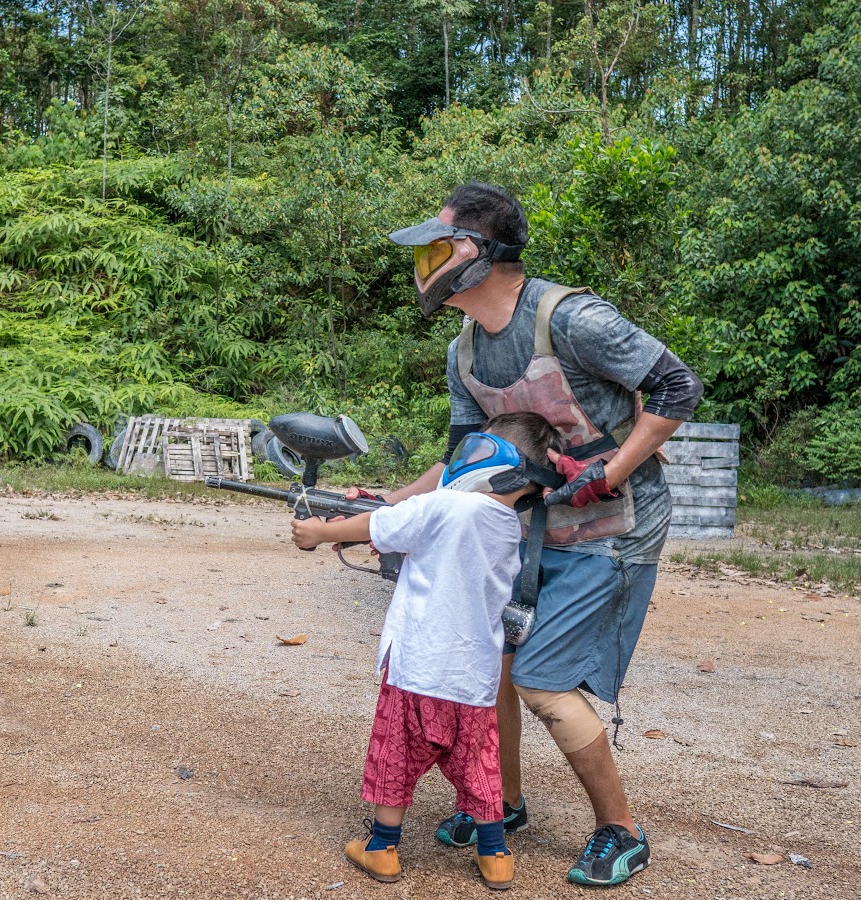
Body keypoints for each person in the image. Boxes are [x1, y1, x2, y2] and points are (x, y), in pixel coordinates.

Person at [374, 181, 703, 887]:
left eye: (439, 243)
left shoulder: (573, 319)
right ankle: (503, 803)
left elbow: (679, 387)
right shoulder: (465, 352)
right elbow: (466, 462)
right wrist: (385, 507)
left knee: (543, 682)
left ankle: (622, 832)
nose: (425, 260)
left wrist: (610, 471)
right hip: (524, 529)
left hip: (615, 526)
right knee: (488, 668)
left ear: (480, 254)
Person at [291, 412, 560, 892]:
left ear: (496, 461)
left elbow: (383, 522)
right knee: (479, 766)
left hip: (418, 668)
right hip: (473, 680)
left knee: (395, 755)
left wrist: (318, 533)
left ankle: (382, 850)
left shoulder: (442, 507)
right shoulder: (507, 527)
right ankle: (495, 854)